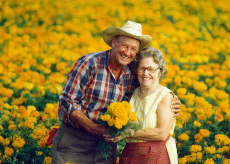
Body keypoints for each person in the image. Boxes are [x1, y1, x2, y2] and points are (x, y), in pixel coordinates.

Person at [51, 21, 181, 164]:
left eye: (133, 49)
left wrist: (171, 100)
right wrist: (93, 128)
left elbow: (152, 87)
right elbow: (67, 100)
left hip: (106, 147)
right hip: (75, 140)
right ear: (113, 42)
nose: (127, 52)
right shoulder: (90, 63)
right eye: (124, 46)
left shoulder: (133, 71)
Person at [119, 47, 178, 164]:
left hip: (156, 153)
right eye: (142, 68)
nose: (146, 73)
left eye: (151, 69)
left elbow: (162, 133)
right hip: (130, 153)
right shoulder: (133, 94)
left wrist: (128, 133)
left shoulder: (165, 96)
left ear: (160, 71)